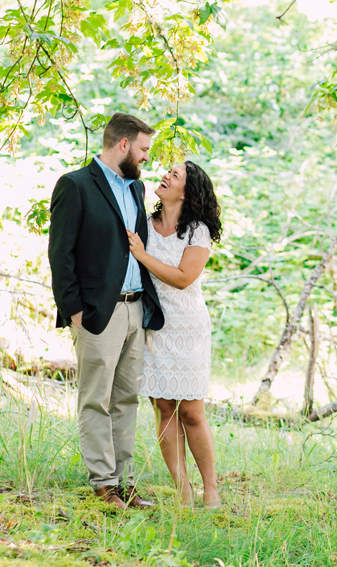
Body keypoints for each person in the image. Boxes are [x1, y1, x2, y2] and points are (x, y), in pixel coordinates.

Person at [48, 112, 165, 510]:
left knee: (126, 399)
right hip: (98, 312)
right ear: (123, 145)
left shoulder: (137, 189)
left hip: (135, 310)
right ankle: (103, 484)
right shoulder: (75, 185)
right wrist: (74, 309)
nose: (147, 157)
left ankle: (125, 483)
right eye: (144, 149)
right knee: (95, 399)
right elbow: (60, 254)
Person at [126, 161, 222, 509]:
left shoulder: (197, 231)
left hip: (188, 327)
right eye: (167, 172)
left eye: (175, 175)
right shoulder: (145, 225)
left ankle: (211, 489)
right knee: (164, 407)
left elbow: (184, 277)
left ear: (188, 190)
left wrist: (142, 255)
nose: (165, 176)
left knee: (192, 411)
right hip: (154, 324)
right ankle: (183, 491)